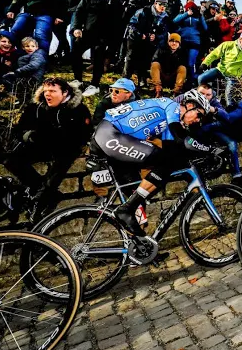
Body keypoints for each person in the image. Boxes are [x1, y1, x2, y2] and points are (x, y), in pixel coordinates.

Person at [91, 89, 213, 240]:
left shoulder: (169, 120)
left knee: (141, 193)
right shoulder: (171, 107)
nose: (197, 121)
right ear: (188, 105)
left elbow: (174, 147)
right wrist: (209, 150)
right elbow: (182, 139)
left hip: (114, 136)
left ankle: (141, 247)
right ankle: (125, 210)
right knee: (165, 160)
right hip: (110, 134)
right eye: (199, 115)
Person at [5, 78, 92, 221]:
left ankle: (41, 200)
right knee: (11, 160)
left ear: (64, 93)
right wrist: (27, 136)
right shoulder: (36, 107)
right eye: (46, 91)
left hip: (66, 149)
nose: (48, 94)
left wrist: (54, 136)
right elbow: (20, 129)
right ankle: (43, 191)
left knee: (58, 167)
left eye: (52, 91)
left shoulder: (78, 109)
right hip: (40, 145)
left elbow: (81, 135)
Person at [71, 0, 124, 96]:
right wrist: (77, 28)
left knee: (99, 57)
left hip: (104, 36)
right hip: (88, 32)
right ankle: (78, 79)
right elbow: (79, 12)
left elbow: (119, 24)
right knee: (75, 51)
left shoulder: (117, 2)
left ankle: (94, 85)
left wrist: (114, 42)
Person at [204, 94, 242, 188]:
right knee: (232, 144)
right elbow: (224, 119)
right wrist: (201, 131)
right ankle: (237, 176)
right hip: (222, 130)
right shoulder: (239, 112)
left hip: (237, 132)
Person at [124, 0, 169, 87]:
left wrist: (156, 37)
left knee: (145, 60)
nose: (162, 7)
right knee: (131, 58)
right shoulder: (143, 11)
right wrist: (140, 34)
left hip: (149, 41)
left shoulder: (165, 17)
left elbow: (164, 32)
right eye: (160, 4)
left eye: (165, 5)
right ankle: (125, 79)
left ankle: (142, 79)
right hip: (134, 38)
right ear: (155, 3)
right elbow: (131, 25)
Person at [172, 1, 207, 82]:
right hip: (183, 41)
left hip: (195, 42)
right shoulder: (183, 15)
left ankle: (191, 80)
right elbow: (174, 21)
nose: (191, 10)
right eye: (189, 8)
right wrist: (186, 14)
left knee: (191, 62)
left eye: (192, 8)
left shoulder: (198, 17)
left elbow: (205, 27)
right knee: (182, 62)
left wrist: (200, 16)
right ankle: (180, 79)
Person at [0, 30, 22, 99]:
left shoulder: (16, 53)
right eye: (4, 41)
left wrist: (11, 65)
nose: (7, 44)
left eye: (10, 42)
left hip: (10, 76)